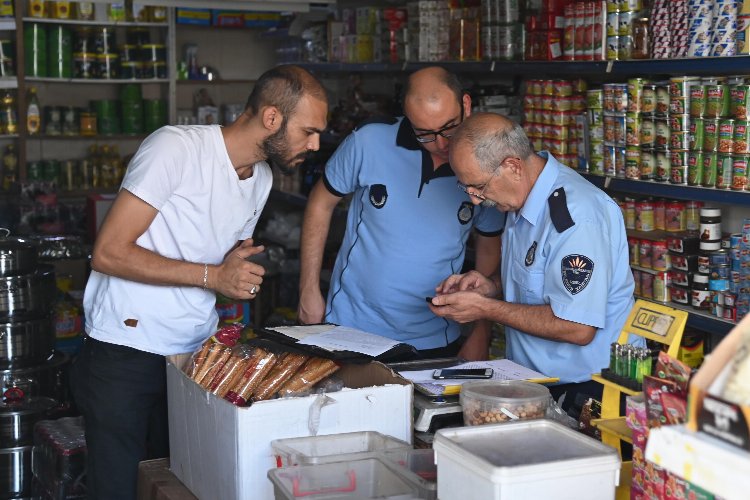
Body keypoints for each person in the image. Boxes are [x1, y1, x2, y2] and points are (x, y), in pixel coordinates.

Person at [70, 65, 328, 500]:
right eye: (309, 131)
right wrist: (215, 275)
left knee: (181, 484)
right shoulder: (176, 148)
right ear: (271, 119)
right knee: (117, 487)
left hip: (193, 356)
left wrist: (235, 272)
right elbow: (109, 251)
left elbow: (217, 261)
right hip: (125, 352)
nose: (315, 144)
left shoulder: (261, 179)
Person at [429, 112, 639, 413]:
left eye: (479, 187)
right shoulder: (522, 197)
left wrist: (485, 309)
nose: (475, 200)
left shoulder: (575, 217)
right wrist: (490, 288)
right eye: (468, 189)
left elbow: (577, 327)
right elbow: (537, 275)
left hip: (589, 391)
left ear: (512, 166)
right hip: (537, 382)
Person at [298, 67, 504, 359]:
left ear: (466, 105)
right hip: (351, 325)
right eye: (425, 134)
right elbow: (321, 202)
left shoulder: (486, 162)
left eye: (449, 127)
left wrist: (481, 330)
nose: (442, 144)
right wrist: (308, 288)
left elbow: (488, 248)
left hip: (436, 334)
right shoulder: (368, 141)